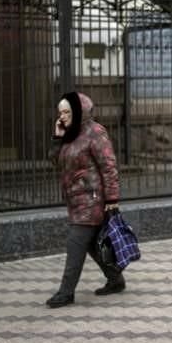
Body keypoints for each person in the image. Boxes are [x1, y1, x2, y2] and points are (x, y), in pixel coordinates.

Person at [46, 91, 125, 308]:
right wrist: (57, 137)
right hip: (76, 199)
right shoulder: (69, 134)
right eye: (60, 112)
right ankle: (115, 279)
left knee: (75, 242)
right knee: (90, 244)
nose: (62, 116)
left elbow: (109, 167)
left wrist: (112, 198)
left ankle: (66, 292)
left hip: (93, 199)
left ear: (79, 110)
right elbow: (55, 161)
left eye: (67, 112)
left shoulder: (95, 133)